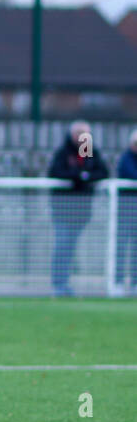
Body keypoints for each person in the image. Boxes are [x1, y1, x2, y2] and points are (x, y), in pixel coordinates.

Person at [46, 120, 109, 297]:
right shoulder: (64, 152)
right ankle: (59, 285)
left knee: (70, 248)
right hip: (62, 210)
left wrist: (85, 176)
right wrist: (76, 177)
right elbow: (55, 172)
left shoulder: (87, 150)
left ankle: (65, 284)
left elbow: (100, 171)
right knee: (62, 246)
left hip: (81, 211)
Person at [114, 128, 137, 293]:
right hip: (126, 209)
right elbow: (130, 174)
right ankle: (117, 282)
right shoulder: (126, 159)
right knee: (121, 246)